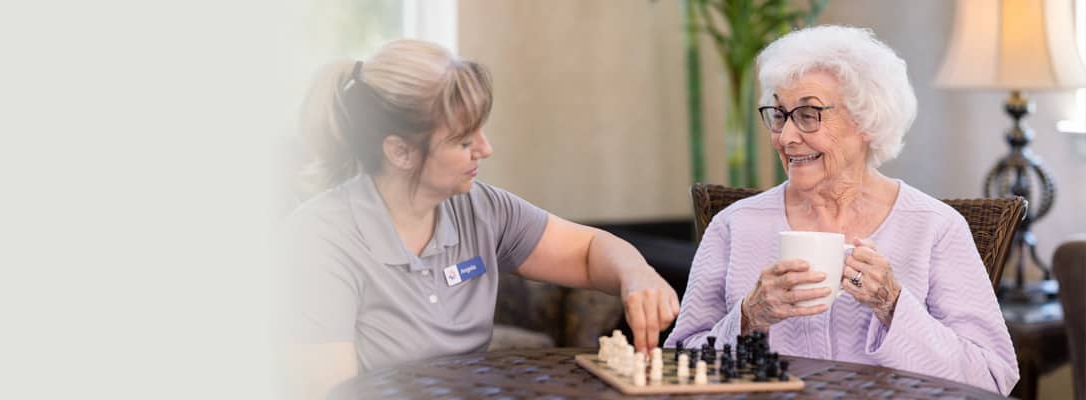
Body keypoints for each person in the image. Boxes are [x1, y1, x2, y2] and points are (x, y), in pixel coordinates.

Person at [278, 39, 679, 399]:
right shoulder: (319, 240)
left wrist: (636, 275)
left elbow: (590, 250)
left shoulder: (480, 208)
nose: (486, 149)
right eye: (463, 140)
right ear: (399, 151)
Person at [663, 26, 1018, 394]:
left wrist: (893, 306)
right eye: (780, 115)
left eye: (807, 114)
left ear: (866, 119)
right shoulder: (735, 226)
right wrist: (748, 317)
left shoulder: (935, 228)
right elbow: (678, 366)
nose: (786, 137)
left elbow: (993, 377)